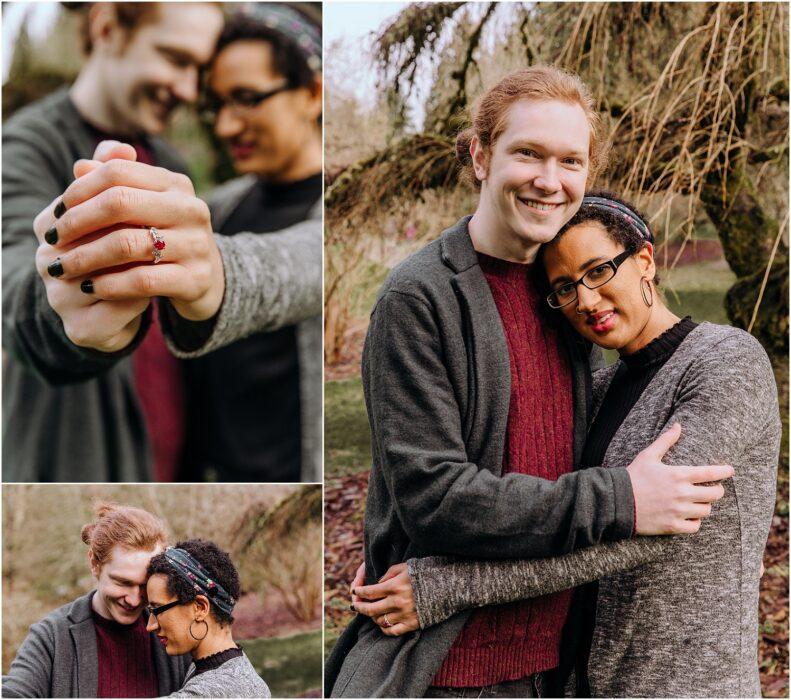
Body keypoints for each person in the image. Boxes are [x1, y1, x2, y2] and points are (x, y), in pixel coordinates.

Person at [324, 66, 735, 698]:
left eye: (571, 160)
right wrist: (620, 499)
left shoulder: (565, 297)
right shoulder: (420, 298)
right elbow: (437, 500)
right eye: (528, 154)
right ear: (480, 156)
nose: (550, 179)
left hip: (557, 668)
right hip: (450, 671)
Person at [350, 193, 781, 697]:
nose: (587, 300)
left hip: (687, 682)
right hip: (582, 680)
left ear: (644, 259)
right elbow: (546, 508)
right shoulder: (594, 393)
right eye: (565, 288)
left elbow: (649, 531)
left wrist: (443, 587)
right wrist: (400, 546)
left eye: (598, 271)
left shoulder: (726, 362)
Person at [3, 2, 322, 482]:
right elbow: (14, 292)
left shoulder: (171, 163)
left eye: (199, 72)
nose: (189, 91)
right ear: (107, 26)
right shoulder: (24, 149)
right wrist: (67, 305)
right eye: (177, 59)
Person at [175, 3, 323, 482]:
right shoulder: (214, 209)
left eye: (246, 97)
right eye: (218, 104)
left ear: (313, 93)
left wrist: (211, 272)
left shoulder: (334, 210)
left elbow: (301, 266)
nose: (225, 127)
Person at [2, 503, 190, 698]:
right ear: (94, 564)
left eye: (144, 585)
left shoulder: (174, 628)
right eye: (122, 582)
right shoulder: (51, 636)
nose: (134, 600)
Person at [146, 540, 271, 698]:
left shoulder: (218, 691)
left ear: (200, 607)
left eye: (157, 609)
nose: (150, 626)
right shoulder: (223, 670)